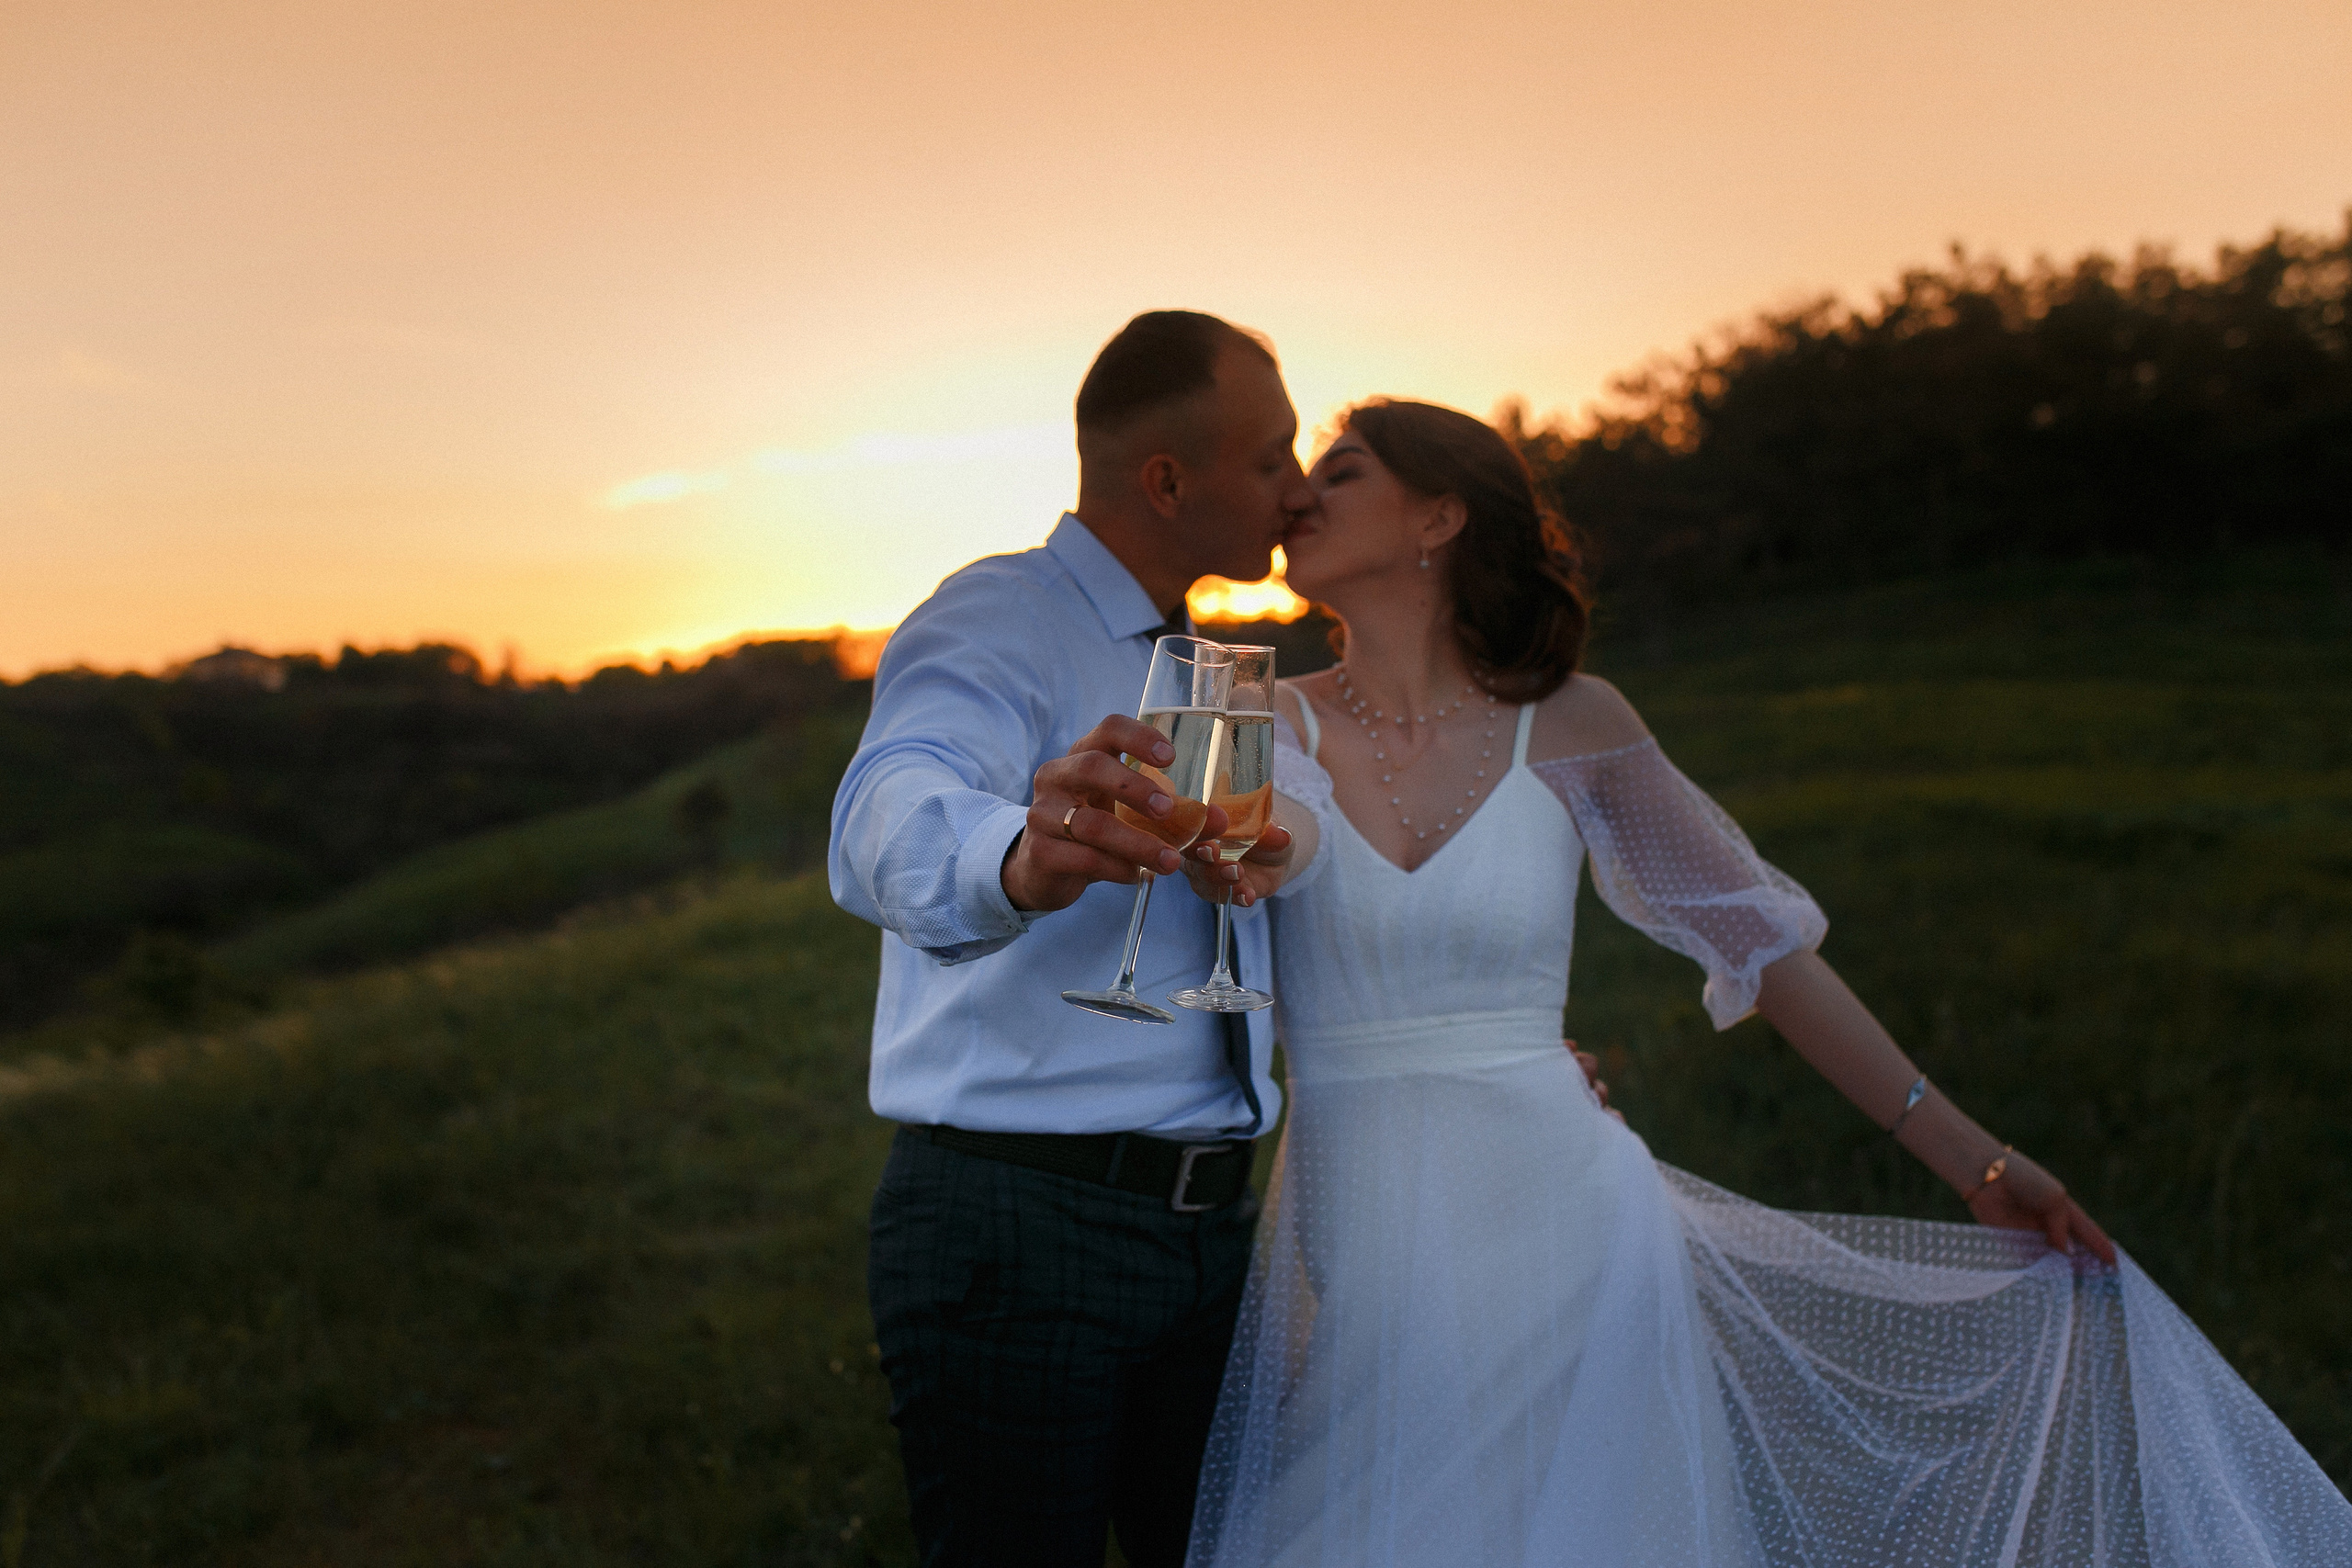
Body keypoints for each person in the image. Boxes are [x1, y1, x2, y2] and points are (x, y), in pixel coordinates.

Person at [1177, 399, 2352, 1566]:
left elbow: (1768, 955)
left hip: (1572, 1228)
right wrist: (1230, 832)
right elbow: (1237, 854)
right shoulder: (1241, 708)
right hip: (1363, 1226)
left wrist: (1980, 1164)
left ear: (1439, 516)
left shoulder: (1577, 722)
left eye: (1340, 471)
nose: (1301, 497)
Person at [828, 310, 1314, 1567]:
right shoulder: (996, 615)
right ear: (1168, 480)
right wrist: (1018, 856)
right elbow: (888, 807)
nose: (1297, 487)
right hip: (1020, 1226)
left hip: (1214, 1237)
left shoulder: (1208, 665)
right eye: (1272, 456)